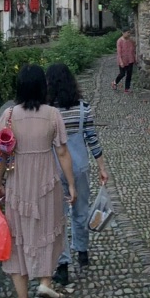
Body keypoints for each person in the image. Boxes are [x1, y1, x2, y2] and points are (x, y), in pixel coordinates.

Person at [0, 64, 79, 298]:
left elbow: (1, 155)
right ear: (43, 86)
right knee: (48, 233)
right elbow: (62, 152)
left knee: (17, 240)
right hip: (46, 184)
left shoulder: (8, 116)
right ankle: (44, 282)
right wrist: (71, 184)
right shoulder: (53, 114)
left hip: (18, 185)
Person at [47, 62, 109, 285]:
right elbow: (92, 139)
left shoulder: (48, 113)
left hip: (54, 169)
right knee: (80, 211)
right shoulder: (83, 108)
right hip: (80, 166)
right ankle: (82, 251)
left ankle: (62, 264)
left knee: (58, 217)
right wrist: (102, 166)